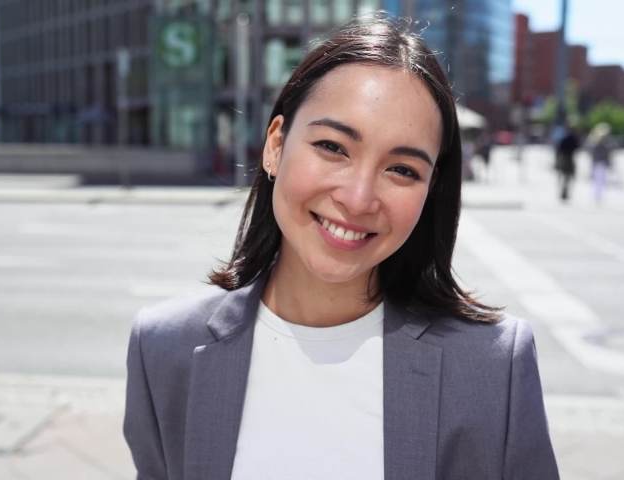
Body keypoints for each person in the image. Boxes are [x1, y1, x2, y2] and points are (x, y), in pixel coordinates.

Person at [124, 17, 558, 480]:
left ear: (431, 190)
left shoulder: (492, 367)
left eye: (403, 170)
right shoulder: (164, 347)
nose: (357, 198)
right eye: (333, 146)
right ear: (275, 145)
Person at [589, 123, 614, 202]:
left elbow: (608, 154)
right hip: (598, 163)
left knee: (601, 179)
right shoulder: (596, 145)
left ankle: (599, 193)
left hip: (602, 163)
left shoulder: (605, 145)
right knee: (598, 179)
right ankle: (597, 193)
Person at [555, 126, 580, 201]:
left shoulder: (566, 138)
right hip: (567, 159)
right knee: (566, 178)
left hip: (566, 159)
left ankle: (564, 192)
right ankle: (564, 192)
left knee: (565, 178)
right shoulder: (570, 139)